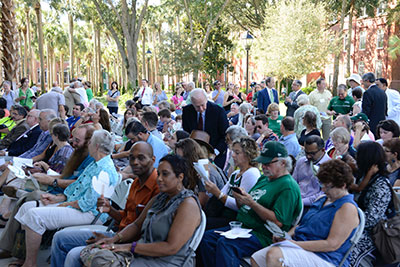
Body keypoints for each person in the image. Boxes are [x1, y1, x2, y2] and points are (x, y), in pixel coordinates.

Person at [10, 130, 119, 267]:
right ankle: (24, 257)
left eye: (90, 142)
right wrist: (57, 198)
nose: (88, 145)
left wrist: (64, 203)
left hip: (89, 213)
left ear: (96, 146)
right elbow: (76, 189)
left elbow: (87, 203)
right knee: (27, 207)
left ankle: (30, 263)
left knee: (34, 215)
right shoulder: (96, 164)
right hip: (77, 206)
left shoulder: (105, 170)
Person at [76, 154, 201, 266]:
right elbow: (136, 225)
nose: (159, 179)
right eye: (159, 174)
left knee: (99, 261)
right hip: (143, 254)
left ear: (180, 177)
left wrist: (128, 247)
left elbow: (171, 248)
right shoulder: (160, 198)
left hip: (166, 261)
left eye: (165, 174)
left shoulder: (188, 204)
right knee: (91, 255)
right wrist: (114, 239)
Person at [50, 142, 160, 267]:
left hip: (129, 243)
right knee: (59, 238)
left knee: (74, 255)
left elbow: (141, 228)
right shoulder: (136, 182)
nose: (135, 162)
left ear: (153, 160)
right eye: (131, 157)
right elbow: (126, 217)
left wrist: (113, 241)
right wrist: (110, 210)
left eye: (141, 158)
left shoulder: (158, 187)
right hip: (118, 234)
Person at [199, 142, 302, 267]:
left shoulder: (287, 186)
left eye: (267, 163)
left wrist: (251, 203)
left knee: (226, 244)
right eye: (262, 162)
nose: (263, 166)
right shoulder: (265, 179)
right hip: (243, 227)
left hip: (264, 235)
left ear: (283, 163)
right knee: (206, 239)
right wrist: (241, 199)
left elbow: (278, 221)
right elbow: (244, 206)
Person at [251, 159, 359, 267]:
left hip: (326, 257)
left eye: (328, 186)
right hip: (302, 245)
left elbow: (332, 245)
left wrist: (295, 244)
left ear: (343, 185)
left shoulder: (347, 208)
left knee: (274, 255)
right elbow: (302, 225)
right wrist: (286, 236)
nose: (324, 189)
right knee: (257, 258)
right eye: (322, 184)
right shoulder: (322, 199)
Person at [350, 141, 392, 266]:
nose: (356, 159)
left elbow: (371, 219)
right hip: (355, 222)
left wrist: (349, 221)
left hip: (372, 232)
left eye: (359, 156)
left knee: (345, 248)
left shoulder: (381, 186)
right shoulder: (363, 176)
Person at [204, 136, 260, 229]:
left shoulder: (251, 173)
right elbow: (222, 195)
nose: (233, 155)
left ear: (248, 155)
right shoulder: (235, 173)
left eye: (237, 153)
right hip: (224, 215)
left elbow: (240, 206)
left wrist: (217, 193)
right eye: (233, 152)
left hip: (236, 220)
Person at [182, 88, 229, 168]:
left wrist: (215, 153)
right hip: (194, 153)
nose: (201, 109)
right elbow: (186, 132)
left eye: (203, 105)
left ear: (206, 99)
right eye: (197, 106)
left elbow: (225, 135)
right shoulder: (187, 111)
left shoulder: (218, 111)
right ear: (192, 103)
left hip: (216, 151)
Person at [175, 138, 226, 207]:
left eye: (181, 158)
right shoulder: (196, 167)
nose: (178, 162)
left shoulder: (204, 170)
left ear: (189, 157)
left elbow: (201, 203)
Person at [292, 136, 331, 214]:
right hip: (295, 200)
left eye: (312, 153)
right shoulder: (301, 161)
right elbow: (293, 183)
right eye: (306, 152)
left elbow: (323, 195)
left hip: (313, 206)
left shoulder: (329, 166)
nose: (308, 156)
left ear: (322, 150)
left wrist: (301, 202)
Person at [361, 72, 387, 137]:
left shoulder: (367, 93)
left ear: (367, 81)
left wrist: (363, 121)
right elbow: (386, 108)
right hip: (382, 122)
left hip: (371, 123)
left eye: (363, 81)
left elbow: (366, 110)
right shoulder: (382, 92)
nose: (362, 83)